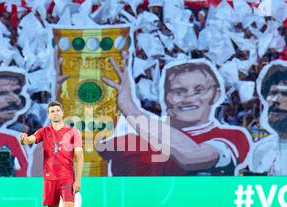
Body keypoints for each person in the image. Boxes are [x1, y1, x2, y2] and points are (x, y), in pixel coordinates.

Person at [99, 57, 252, 176]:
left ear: (215, 94)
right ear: (165, 97)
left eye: (199, 90)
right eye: (179, 92)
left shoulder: (233, 137)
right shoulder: (132, 138)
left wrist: (130, 108)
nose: (189, 98)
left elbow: (191, 156)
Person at [19, 101, 89, 207]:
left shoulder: (72, 132)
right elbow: (29, 140)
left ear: (62, 113)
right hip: (50, 179)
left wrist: (78, 180)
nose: (55, 113)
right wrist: (23, 139)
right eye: (52, 111)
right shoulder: (44, 131)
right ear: (49, 115)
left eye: (58, 110)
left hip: (67, 179)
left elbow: (79, 156)